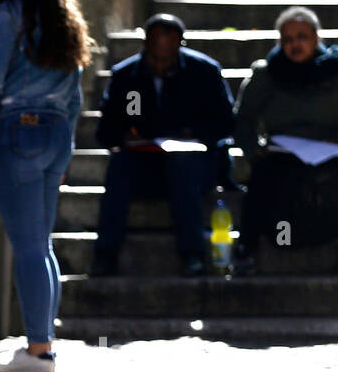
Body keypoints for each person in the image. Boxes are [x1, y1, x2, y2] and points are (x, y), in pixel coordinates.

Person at [0, 0, 93, 372]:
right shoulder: (64, 17)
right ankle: (44, 344)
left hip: (17, 131)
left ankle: (39, 350)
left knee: (27, 245)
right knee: (41, 243)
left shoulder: (9, 15)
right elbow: (76, 94)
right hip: (57, 134)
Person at [232, 6, 338, 275]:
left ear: (316, 38)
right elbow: (243, 121)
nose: (295, 45)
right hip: (282, 154)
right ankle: (245, 250)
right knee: (261, 173)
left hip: (334, 152)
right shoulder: (266, 74)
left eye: (302, 37)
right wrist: (255, 150)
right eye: (288, 40)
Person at [91, 14, 236, 277]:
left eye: (166, 58)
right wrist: (125, 137)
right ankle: (105, 254)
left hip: (195, 165)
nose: (159, 65)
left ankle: (192, 253)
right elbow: (105, 131)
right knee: (119, 166)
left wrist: (191, 134)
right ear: (145, 45)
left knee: (182, 165)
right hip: (146, 163)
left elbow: (226, 124)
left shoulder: (205, 72)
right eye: (154, 57)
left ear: (180, 45)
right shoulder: (125, 76)